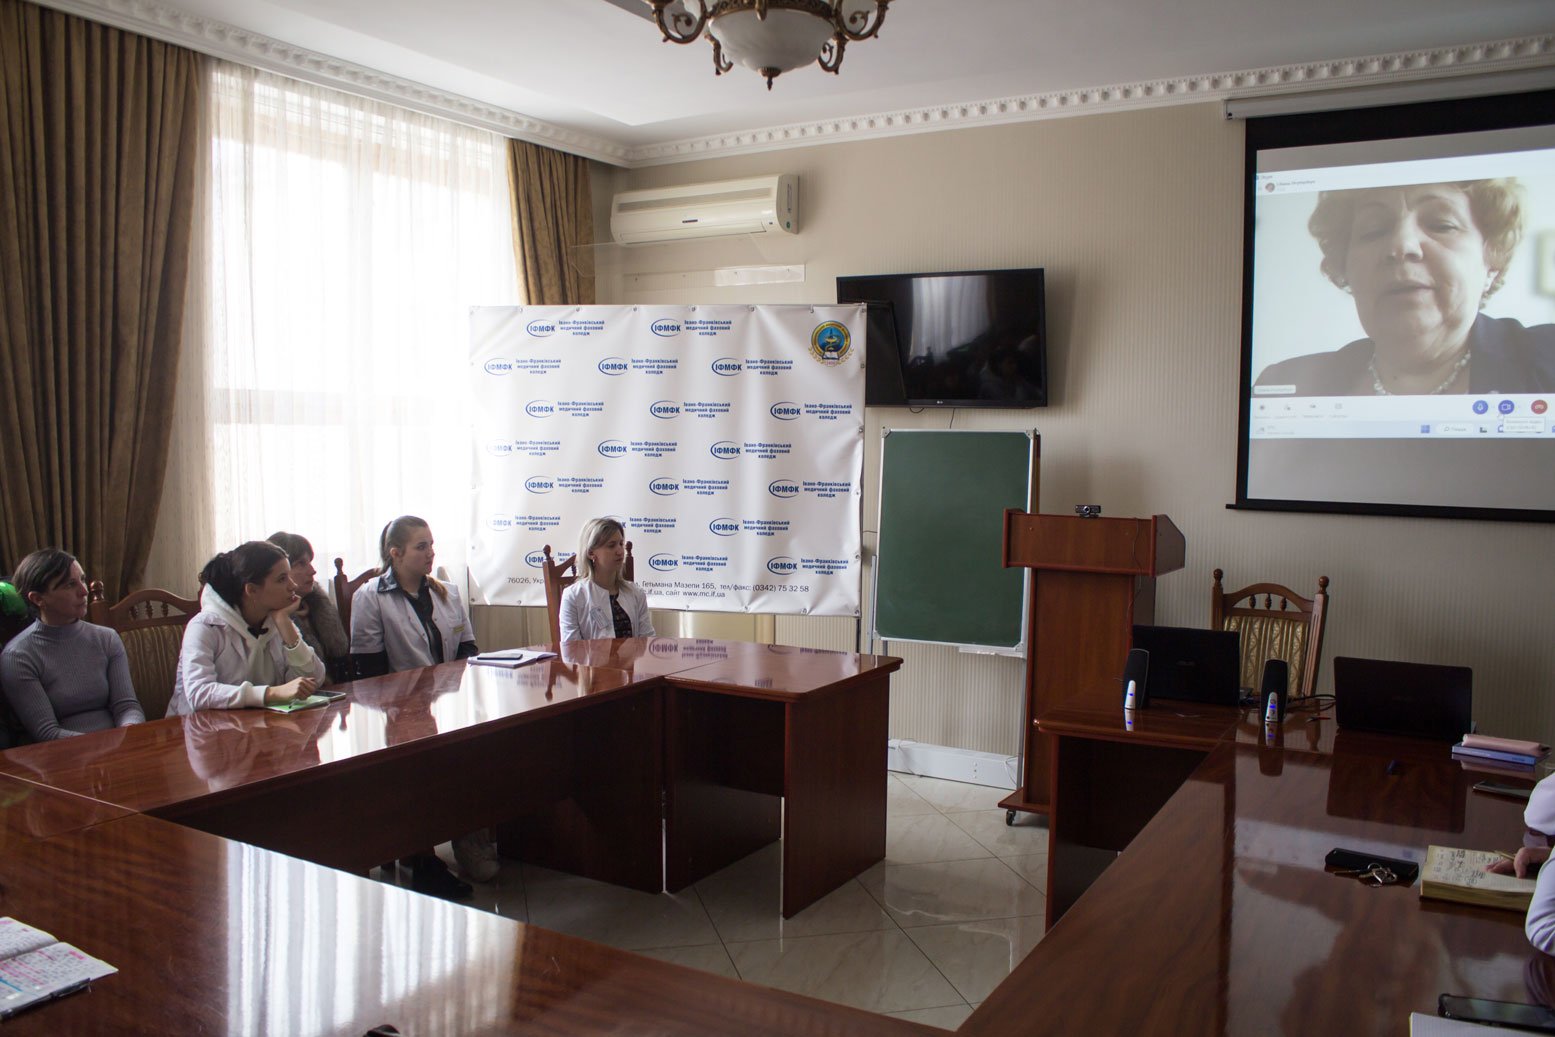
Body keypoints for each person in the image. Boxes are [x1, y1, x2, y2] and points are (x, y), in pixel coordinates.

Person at [1255, 178, 1555, 396]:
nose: (1401, 245)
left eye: (1441, 225)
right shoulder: (1286, 384)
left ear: (1492, 263)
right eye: (1374, 230)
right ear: (1346, 269)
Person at [350, 515, 492, 898]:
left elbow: (468, 648)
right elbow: (368, 671)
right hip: (395, 713)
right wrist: (408, 706)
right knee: (421, 767)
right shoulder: (370, 597)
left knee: (482, 747)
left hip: (447, 702)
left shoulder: (447, 592)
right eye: (421, 546)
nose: (431, 553)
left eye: (431, 544)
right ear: (395, 553)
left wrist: (451, 695)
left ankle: (470, 842)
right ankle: (422, 857)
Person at [0, 548, 145, 741]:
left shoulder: (107, 638)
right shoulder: (18, 656)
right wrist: (108, 746)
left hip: (119, 744)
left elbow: (127, 706)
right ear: (38, 599)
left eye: (82, 579)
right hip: (64, 753)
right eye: (70, 584)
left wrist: (129, 733)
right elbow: (47, 732)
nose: (84, 591)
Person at [167, 541, 324, 716]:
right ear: (252, 590)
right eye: (282, 579)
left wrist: (284, 622)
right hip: (193, 728)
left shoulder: (275, 620)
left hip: (257, 725)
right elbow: (199, 693)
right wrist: (270, 694)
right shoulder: (205, 626)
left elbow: (315, 679)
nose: (293, 585)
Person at [266, 531, 351, 685]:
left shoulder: (319, 603)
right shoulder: (268, 617)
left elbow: (341, 659)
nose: (313, 571)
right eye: (301, 563)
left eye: (310, 562)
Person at [559, 517, 655, 642]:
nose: (620, 551)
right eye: (611, 546)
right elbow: (571, 648)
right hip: (590, 656)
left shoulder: (636, 593)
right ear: (591, 553)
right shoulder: (573, 596)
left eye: (621, 544)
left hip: (633, 655)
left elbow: (647, 640)